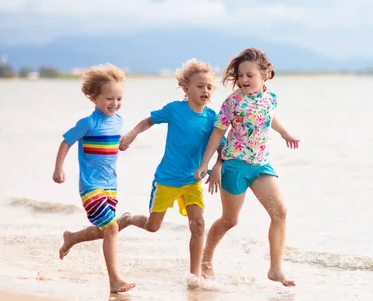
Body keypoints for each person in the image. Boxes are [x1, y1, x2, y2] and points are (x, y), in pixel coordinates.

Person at [194, 47, 299, 287]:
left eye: (249, 75)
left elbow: (269, 116)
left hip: (261, 165)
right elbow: (218, 131)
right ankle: (206, 259)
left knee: (280, 212)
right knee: (230, 220)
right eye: (240, 75)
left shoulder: (270, 97)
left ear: (265, 74)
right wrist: (206, 163)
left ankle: (275, 269)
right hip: (235, 166)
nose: (243, 79)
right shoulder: (233, 101)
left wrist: (285, 133)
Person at [120, 59, 224, 282]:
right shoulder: (175, 110)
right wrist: (132, 134)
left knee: (198, 224)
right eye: (200, 86)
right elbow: (149, 121)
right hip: (167, 179)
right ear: (186, 89)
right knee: (153, 226)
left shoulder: (212, 118)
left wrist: (217, 166)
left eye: (209, 86)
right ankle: (128, 219)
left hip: (193, 180)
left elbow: (221, 147)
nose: (205, 90)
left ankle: (195, 274)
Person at [53, 63, 135, 294]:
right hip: (91, 186)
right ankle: (115, 280)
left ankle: (72, 238)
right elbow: (66, 142)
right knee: (111, 228)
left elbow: (109, 145)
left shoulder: (118, 121)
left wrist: (122, 144)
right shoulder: (88, 123)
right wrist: (59, 169)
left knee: (105, 230)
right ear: (94, 97)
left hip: (111, 186)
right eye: (109, 98)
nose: (114, 104)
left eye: (119, 99)